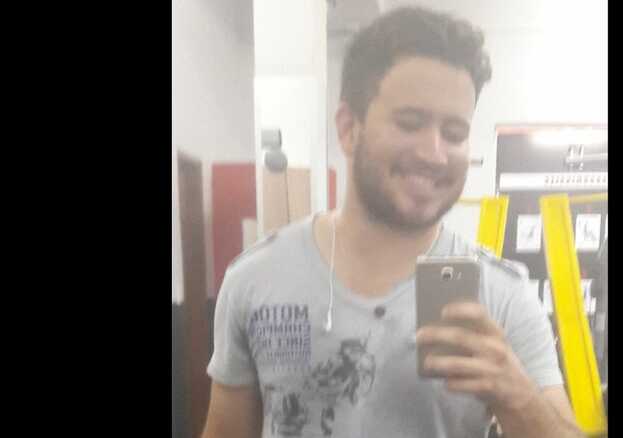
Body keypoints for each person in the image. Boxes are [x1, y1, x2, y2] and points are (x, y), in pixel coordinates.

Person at [201, 6, 583, 438]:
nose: (434, 153)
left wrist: (518, 397)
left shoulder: (503, 294)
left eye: (454, 133)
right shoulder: (256, 279)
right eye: (410, 123)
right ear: (349, 128)